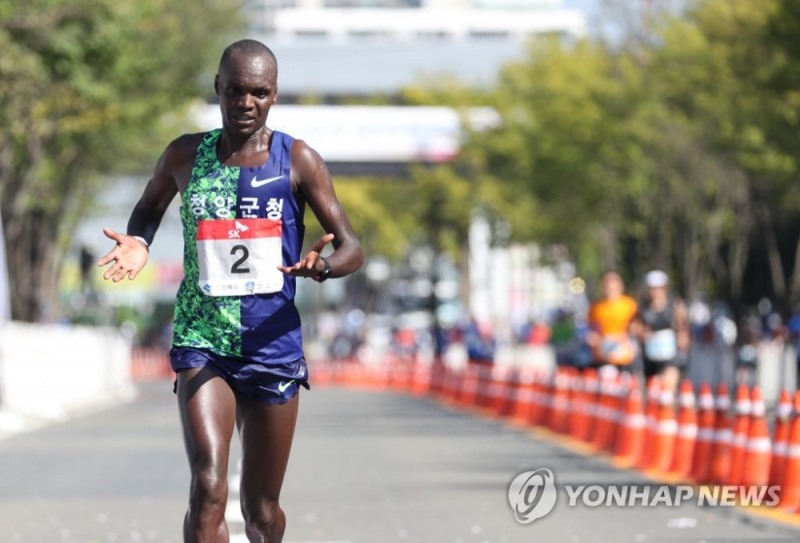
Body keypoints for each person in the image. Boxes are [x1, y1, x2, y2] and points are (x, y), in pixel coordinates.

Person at [97, 39, 364, 543]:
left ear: (274, 95)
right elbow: (150, 208)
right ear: (218, 87)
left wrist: (324, 267)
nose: (246, 103)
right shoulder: (184, 154)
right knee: (208, 486)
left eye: (259, 93)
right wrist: (139, 242)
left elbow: (352, 247)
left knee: (261, 510)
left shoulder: (298, 159)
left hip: (272, 343)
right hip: (203, 341)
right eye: (236, 90)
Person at [632, 270, 690, 393]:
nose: (655, 292)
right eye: (652, 289)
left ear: (664, 289)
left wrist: (683, 337)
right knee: (652, 391)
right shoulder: (643, 308)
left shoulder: (674, 305)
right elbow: (634, 327)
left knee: (668, 388)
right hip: (651, 355)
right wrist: (642, 333)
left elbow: (684, 325)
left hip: (670, 355)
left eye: (658, 289)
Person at [586, 271, 639, 374]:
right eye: (607, 287)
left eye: (613, 288)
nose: (610, 291)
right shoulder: (596, 307)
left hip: (625, 354)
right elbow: (592, 329)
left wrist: (619, 337)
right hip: (603, 354)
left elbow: (636, 328)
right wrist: (594, 338)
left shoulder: (629, 305)